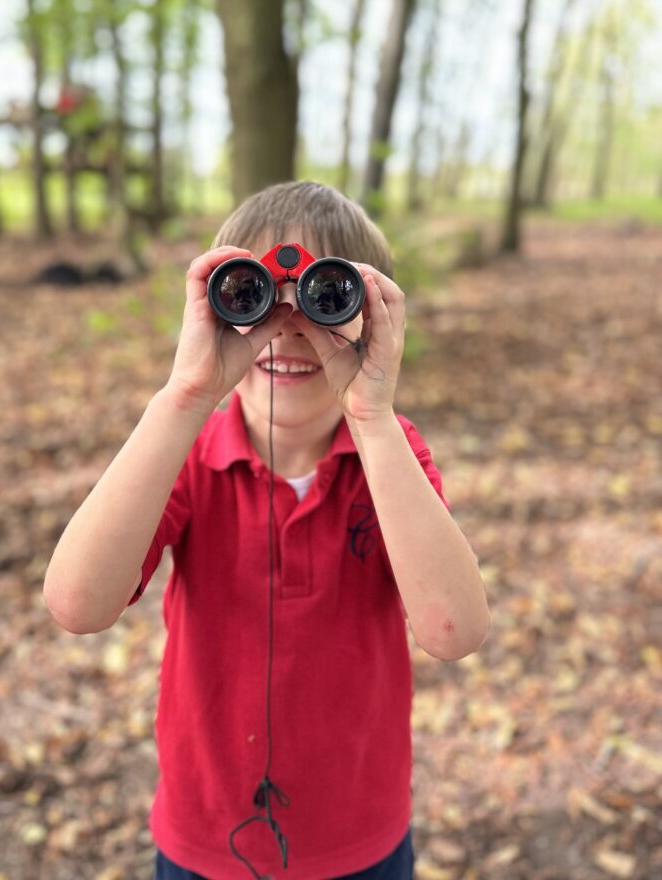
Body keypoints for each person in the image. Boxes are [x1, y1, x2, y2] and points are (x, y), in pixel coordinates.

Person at [43, 181, 491, 880]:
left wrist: (372, 416)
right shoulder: (188, 452)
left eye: (326, 298)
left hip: (360, 839)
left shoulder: (391, 452)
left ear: (374, 318)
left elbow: (454, 631)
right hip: (207, 838)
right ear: (214, 309)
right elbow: (76, 605)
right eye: (250, 295)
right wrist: (186, 395)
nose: (287, 327)